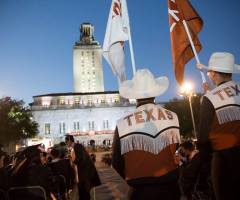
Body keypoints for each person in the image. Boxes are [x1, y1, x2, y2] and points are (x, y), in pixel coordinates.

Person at [112, 69, 181, 200]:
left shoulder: (122, 124)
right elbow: (175, 149)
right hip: (171, 189)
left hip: (139, 191)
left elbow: (116, 163)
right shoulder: (173, 116)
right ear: (155, 94)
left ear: (135, 96)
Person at [197, 52, 240, 200]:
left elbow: (202, 138)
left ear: (214, 73)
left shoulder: (210, 98)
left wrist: (205, 162)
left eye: (209, 72)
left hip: (225, 160)